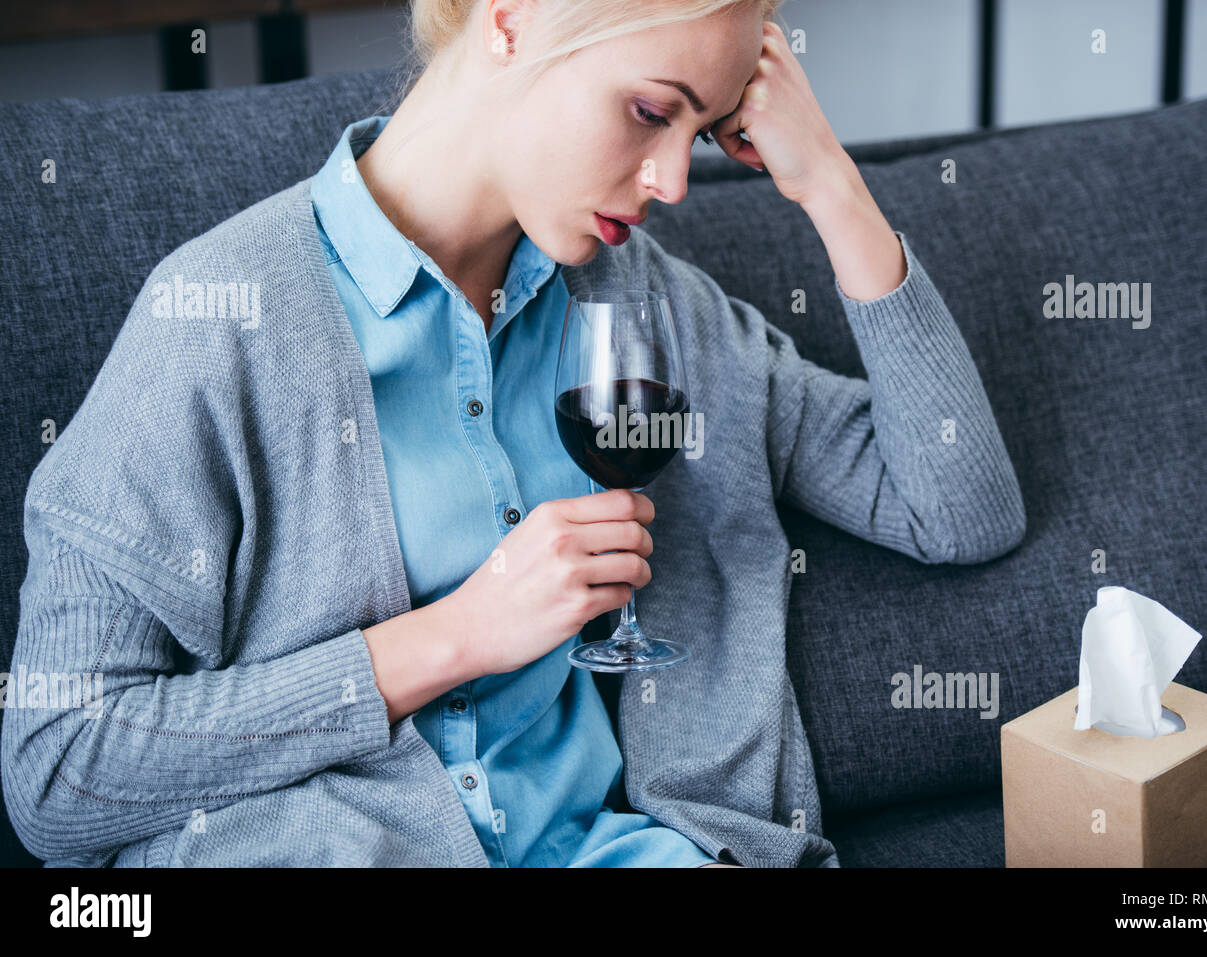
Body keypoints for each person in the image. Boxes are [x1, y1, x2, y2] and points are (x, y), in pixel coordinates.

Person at [3, 0, 1025, 868]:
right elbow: (56, 768)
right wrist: (451, 637)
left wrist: (831, 188)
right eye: (648, 111)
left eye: (699, 128)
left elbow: (957, 511)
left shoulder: (655, 320)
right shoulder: (218, 317)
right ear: (509, 18)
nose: (673, 179)